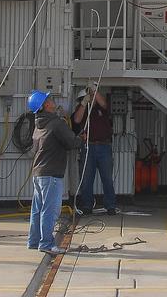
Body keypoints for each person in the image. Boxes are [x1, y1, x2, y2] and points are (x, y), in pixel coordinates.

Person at [28, 90, 81, 256]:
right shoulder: (56, 123)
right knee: (50, 210)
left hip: (39, 173)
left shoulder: (38, 124)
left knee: (38, 209)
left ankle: (34, 240)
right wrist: (82, 139)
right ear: (45, 105)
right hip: (51, 174)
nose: (52, 100)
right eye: (49, 99)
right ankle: (46, 243)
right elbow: (71, 141)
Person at [71, 87, 118, 216]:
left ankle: (110, 205)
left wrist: (94, 90)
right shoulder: (82, 109)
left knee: (107, 178)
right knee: (86, 179)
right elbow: (76, 119)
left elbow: (103, 103)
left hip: (104, 146)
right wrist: (83, 103)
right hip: (88, 147)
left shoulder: (102, 108)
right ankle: (87, 205)